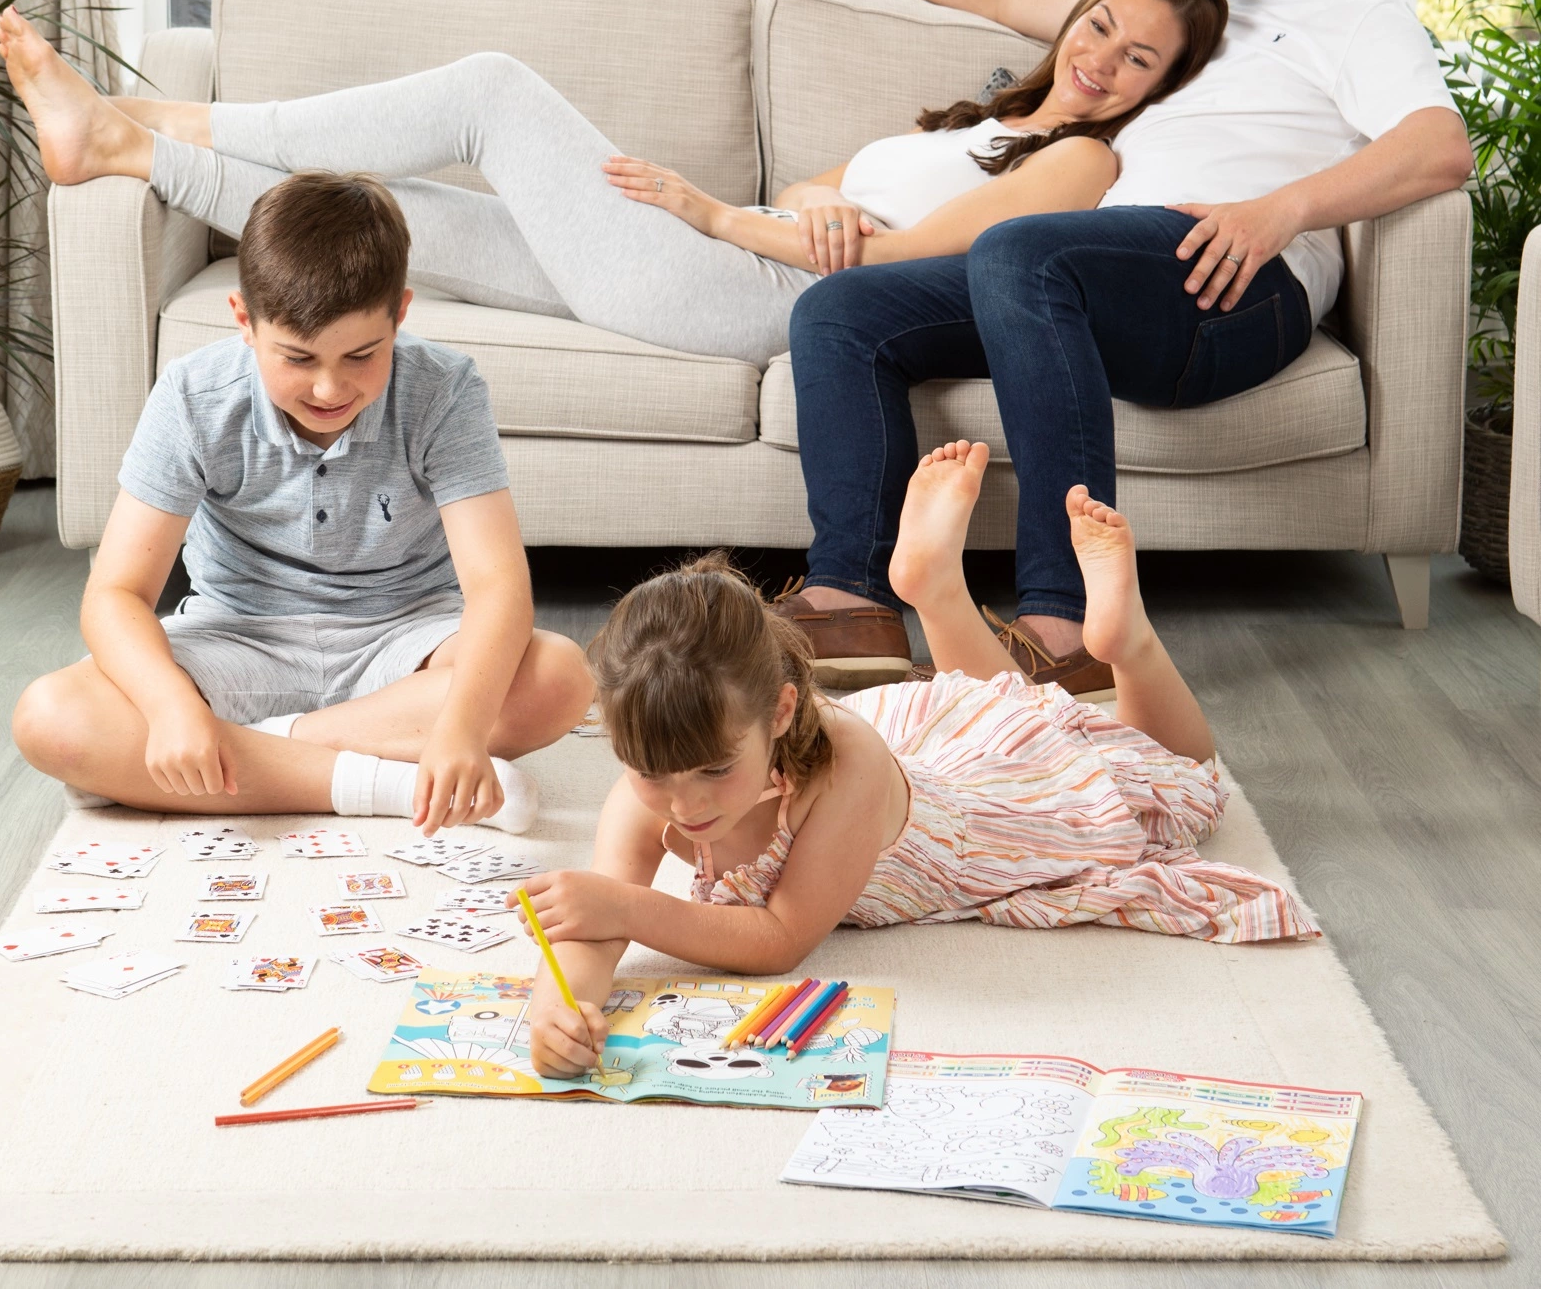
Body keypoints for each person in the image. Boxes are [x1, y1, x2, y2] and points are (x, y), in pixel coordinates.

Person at [722, 0, 1475, 695]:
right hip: (1087, 276)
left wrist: (1278, 211)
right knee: (843, 309)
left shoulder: (1359, 23)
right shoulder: (1176, 19)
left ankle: (1066, 624)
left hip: (1234, 280)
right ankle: (849, 599)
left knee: (1019, 248)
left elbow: (1441, 148)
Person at [0, 0, 1223, 377]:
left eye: (1140, 59)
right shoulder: (975, 124)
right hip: (737, 251)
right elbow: (831, 190)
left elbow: (905, 256)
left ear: (1158, 88)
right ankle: (130, 147)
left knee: (490, 90)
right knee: (380, 214)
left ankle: (167, 115)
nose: (1104, 58)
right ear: (1073, 17)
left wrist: (718, 215)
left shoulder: (1081, 168)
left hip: (758, 289)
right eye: (1100, 24)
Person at [515, 438, 1318, 1079]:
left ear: (781, 713)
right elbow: (591, 923)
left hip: (977, 822)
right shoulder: (650, 783)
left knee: (1179, 780)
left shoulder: (842, 767)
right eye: (652, 774)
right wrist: (562, 1008)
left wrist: (630, 909)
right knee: (1004, 707)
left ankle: (1127, 642)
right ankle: (936, 588)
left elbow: (779, 936)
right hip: (931, 756)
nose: (684, 804)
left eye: (714, 771)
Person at [11, 171, 594, 834]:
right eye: (297, 358)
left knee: (559, 676)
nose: (329, 388)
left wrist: (461, 729)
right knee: (50, 717)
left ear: (400, 314)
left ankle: (263, 747)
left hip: (406, 640)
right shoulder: (192, 396)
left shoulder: (445, 389)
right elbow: (115, 592)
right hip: (237, 639)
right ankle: (387, 784)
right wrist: (173, 707)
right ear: (245, 320)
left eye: (362, 355)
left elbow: (497, 587)